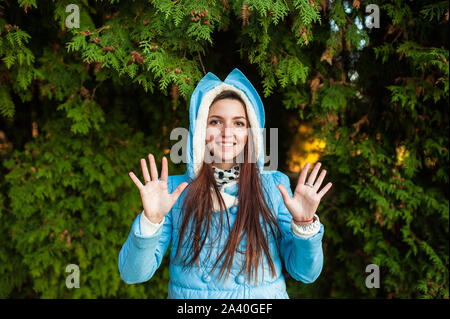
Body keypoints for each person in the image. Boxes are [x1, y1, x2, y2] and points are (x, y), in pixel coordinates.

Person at [118, 68, 333, 298]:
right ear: (200, 128)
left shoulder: (274, 186)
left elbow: (305, 273)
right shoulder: (174, 191)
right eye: (215, 122)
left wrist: (304, 224)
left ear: (251, 132)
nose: (227, 132)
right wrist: (150, 222)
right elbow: (133, 274)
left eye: (239, 123)